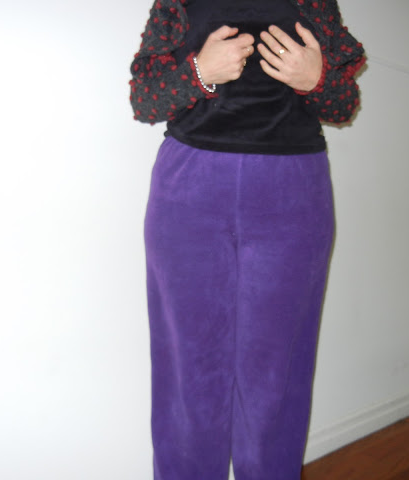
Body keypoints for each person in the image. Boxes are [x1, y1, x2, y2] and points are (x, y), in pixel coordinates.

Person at [129, 1, 365, 479]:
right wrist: (199, 72)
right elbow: (144, 100)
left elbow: (343, 105)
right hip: (190, 190)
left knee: (276, 373)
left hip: (292, 195)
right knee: (188, 370)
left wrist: (316, 79)